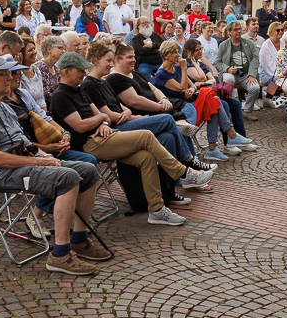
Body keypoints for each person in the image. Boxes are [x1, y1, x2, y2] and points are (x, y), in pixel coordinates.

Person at [0, 54, 108, 276]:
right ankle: (60, 254)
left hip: (22, 164)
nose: (10, 78)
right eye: (4, 74)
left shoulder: (3, 107)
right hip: (3, 174)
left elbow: (25, 143)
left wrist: (46, 154)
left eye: (9, 73)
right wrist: (40, 161)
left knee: (88, 169)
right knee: (68, 177)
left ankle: (79, 239)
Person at [50, 52, 213, 226]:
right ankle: (184, 173)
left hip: (103, 136)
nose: (84, 73)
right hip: (88, 144)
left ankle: (157, 210)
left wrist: (102, 121)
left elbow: (103, 117)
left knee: (146, 157)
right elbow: (81, 126)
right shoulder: (61, 95)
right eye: (80, 70)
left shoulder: (79, 90)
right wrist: (101, 119)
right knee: (146, 135)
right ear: (66, 71)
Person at [80, 42, 206, 188]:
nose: (111, 64)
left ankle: (174, 183)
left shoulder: (103, 81)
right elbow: (110, 114)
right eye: (108, 61)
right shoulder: (94, 84)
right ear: (96, 61)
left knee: (169, 136)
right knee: (167, 119)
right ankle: (189, 160)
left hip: (128, 120)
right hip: (117, 129)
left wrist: (129, 112)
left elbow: (122, 107)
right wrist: (136, 114)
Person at [177, 38, 254, 160]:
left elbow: (212, 80)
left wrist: (202, 82)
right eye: (197, 50)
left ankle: (237, 138)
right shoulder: (188, 63)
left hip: (209, 94)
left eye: (201, 49)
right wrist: (196, 65)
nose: (201, 52)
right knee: (220, 104)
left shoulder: (200, 63)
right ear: (189, 51)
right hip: (197, 97)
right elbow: (201, 76)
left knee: (235, 103)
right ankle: (229, 139)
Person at [216, 19, 262, 114]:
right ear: (230, 32)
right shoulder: (224, 45)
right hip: (230, 73)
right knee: (228, 80)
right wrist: (227, 69)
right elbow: (217, 62)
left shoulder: (249, 43)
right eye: (236, 30)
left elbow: (255, 59)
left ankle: (247, 111)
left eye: (240, 29)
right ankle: (228, 109)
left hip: (246, 74)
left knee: (255, 88)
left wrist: (251, 74)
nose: (239, 31)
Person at [33, 35, 64, 108]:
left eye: (63, 48)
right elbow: (45, 94)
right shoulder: (39, 67)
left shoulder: (56, 67)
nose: (63, 51)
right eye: (60, 48)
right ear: (49, 49)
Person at [130, 16, 162, 80]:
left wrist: (152, 46)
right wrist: (157, 49)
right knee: (144, 72)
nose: (146, 24)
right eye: (144, 23)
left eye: (147, 22)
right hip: (145, 64)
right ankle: (151, 86)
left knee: (168, 71)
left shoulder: (156, 35)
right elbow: (140, 50)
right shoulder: (136, 38)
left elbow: (164, 45)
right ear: (139, 26)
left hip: (160, 63)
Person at [258, 21, 283, 100]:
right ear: (271, 31)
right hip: (267, 73)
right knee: (283, 81)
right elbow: (268, 67)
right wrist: (281, 74)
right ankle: (269, 99)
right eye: (278, 30)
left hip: (282, 72)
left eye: (282, 30)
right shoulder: (266, 45)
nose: (281, 32)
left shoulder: (283, 43)